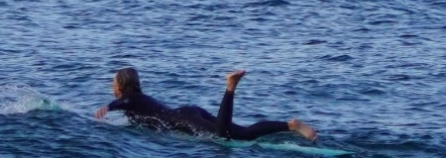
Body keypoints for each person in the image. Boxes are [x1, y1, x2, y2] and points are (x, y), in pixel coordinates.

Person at [97, 67, 316, 142]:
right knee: (244, 134)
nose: (111, 85)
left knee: (222, 137)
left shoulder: (131, 99)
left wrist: (108, 107)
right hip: (188, 112)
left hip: (183, 119)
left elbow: (126, 101)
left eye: (113, 82)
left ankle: (230, 88)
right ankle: (290, 125)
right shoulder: (141, 99)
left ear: (121, 86)